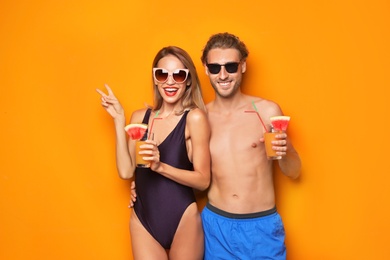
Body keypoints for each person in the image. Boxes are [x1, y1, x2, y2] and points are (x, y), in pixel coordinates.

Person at [96, 46, 211, 260]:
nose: (169, 81)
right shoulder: (139, 117)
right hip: (143, 219)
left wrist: (160, 167)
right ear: (155, 79)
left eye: (178, 75)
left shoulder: (194, 118)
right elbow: (125, 171)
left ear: (188, 80)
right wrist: (119, 119)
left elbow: (203, 181)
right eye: (162, 74)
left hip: (182, 217)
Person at [198, 32, 301, 260]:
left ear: (242, 67)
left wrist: (287, 150)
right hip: (216, 228)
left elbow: (293, 172)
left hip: (261, 228)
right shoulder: (199, 118)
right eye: (215, 68)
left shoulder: (267, 111)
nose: (223, 75)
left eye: (231, 66)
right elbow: (192, 174)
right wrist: (144, 189)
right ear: (206, 69)